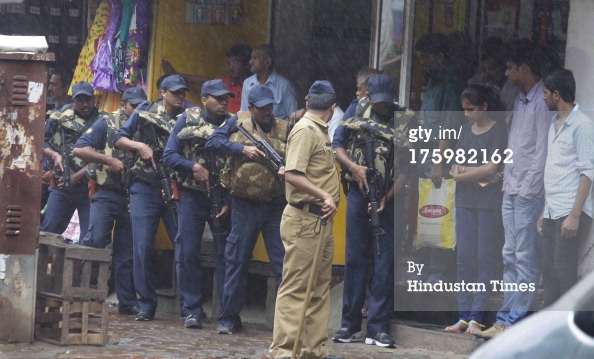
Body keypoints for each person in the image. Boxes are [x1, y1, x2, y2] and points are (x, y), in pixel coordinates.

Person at [476, 41, 555, 339]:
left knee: (524, 256)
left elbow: (541, 151)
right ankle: (505, 319)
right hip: (511, 186)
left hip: (527, 191)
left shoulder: (542, 100)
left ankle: (515, 320)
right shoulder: (518, 97)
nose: (506, 72)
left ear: (525, 69)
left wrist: (526, 190)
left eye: (510, 67)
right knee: (510, 253)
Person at [332, 74, 410, 348]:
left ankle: (377, 327)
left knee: (384, 263)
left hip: (388, 197)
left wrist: (386, 199)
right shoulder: (355, 109)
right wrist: (354, 168)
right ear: (367, 97)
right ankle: (350, 324)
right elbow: (337, 145)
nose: (382, 106)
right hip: (357, 193)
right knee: (355, 260)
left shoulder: (406, 118)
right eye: (376, 102)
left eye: (386, 102)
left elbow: (408, 168)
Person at [269, 81, 342, 359]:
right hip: (304, 218)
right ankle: (284, 353)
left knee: (319, 288)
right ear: (333, 107)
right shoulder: (305, 130)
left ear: (308, 100)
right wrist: (324, 194)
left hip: (320, 220)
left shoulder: (318, 130)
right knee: (297, 289)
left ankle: (313, 351)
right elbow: (292, 174)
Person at [205, 85, 287, 334]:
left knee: (283, 263)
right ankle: (228, 318)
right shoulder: (236, 121)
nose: (266, 112)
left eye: (269, 107)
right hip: (244, 204)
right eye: (261, 108)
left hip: (275, 204)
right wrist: (242, 149)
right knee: (236, 260)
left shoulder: (284, 127)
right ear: (250, 108)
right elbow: (213, 142)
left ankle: (287, 322)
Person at [113, 74, 187, 322]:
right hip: (145, 187)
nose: (180, 97)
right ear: (162, 93)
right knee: (142, 247)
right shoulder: (144, 112)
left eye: (182, 92)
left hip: (176, 187)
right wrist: (140, 147)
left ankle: (189, 307)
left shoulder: (189, 118)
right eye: (175, 92)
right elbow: (119, 139)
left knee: (184, 247)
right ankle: (146, 303)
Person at [163, 79, 234, 329]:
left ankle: (227, 313)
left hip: (223, 198)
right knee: (188, 251)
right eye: (218, 98)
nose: (224, 102)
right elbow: (169, 155)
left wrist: (229, 200)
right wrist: (193, 167)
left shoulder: (234, 123)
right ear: (204, 100)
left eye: (226, 97)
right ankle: (192, 308)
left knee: (226, 254)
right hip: (192, 196)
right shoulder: (187, 119)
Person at [72, 87, 148, 316]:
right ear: (124, 105)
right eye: (134, 106)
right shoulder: (107, 122)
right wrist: (108, 160)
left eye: (142, 106)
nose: (138, 110)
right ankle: (80, 293)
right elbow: (80, 149)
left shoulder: (147, 125)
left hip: (134, 194)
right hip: (106, 192)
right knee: (95, 241)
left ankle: (126, 300)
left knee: (127, 250)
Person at [443, 84, 507, 334]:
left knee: (485, 259)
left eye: (471, 109)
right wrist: (476, 171)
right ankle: (463, 316)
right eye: (464, 110)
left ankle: (477, 318)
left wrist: (465, 173)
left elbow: (491, 168)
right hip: (466, 201)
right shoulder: (465, 131)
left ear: (484, 107)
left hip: (488, 203)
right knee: (463, 259)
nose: (467, 114)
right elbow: (454, 167)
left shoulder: (499, 130)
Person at [538, 68, 594, 306]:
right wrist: (544, 211)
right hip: (553, 210)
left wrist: (574, 216)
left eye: (545, 93)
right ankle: (548, 328)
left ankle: (571, 328)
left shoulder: (582, 125)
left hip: (570, 212)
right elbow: (555, 171)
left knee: (563, 272)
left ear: (557, 94)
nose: (543, 97)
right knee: (549, 271)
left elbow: (588, 172)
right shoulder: (554, 123)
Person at [414, 33, 467, 284]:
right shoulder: (434, 81)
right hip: (427, 155)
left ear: (439, 57)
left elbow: (449, 126)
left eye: (425, 57)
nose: (422, 62)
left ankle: (438, 271)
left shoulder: (449, 83)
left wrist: (438, 163)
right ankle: (427, 267)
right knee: (428, 213)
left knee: (439, 212)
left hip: (440, 158)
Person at [41, 81, 103, 243]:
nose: (85, 104)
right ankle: (45, 267)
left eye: (88, 100)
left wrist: (78, 176)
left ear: (94, 99)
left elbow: (104, 155)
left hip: (89, 188)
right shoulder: (58, 118)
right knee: (49, 231)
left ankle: (80, 269)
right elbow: (42, 142)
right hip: (62, 186)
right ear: (73, 100)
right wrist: (55, 156)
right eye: (80, 100)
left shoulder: (102, 121)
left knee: (89, 239)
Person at [161, 43, 252, 113]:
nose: (230, 68)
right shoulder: (226, 83)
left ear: (248, 63)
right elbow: (202, 81)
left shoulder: (256, 84)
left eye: (236, 63)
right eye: (229, 63)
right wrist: (175, 74)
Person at [240, 44, 297, 120]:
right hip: (253, 131)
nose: (250, 62)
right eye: (251, 58)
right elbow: (244, 114)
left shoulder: (284, 85)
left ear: (267, 62)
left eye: (255, 58)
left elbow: (293, 116)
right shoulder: (247, 83)